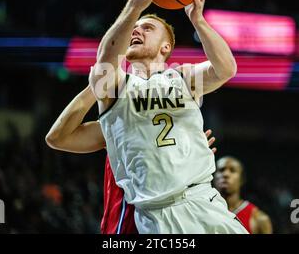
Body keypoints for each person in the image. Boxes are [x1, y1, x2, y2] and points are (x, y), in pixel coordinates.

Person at [88, 0, 248, 234]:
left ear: (166, 47)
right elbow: (106, 57)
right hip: (157, 216)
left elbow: (226, 68)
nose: (137, 30)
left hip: (204, 202)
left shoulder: (181, 77)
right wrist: (136, 4)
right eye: (134, 29)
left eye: (147, 28)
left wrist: (198, 20)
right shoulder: (116, 87)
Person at [46, 86, 217, 234]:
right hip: (127, 228)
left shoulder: (180, 134)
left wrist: (195, 159)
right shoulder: (118, 125)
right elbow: (57, 138)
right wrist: (97, 83)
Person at [214, 156, 273, 234]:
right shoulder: (201, 210)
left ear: (241, 179)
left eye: (232, 170)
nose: (225, 174)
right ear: (213, 177)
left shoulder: (259, 219)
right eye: (221, 170)